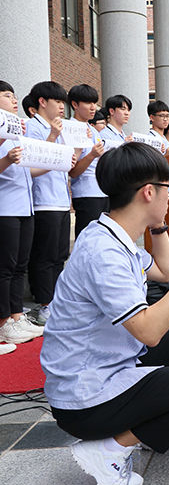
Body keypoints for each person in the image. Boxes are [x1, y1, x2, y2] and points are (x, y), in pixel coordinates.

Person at [40, 142, 169, 485]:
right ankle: (110, 447)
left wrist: (159, 224)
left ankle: (161, 424)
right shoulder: (104, 253)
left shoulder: (115, 236)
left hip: (111, 364)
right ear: (149, 192)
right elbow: (150, 332)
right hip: (86, 397)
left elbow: (165, 271)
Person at [26, 81, 75, 328]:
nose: (60, 107)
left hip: (61, 201)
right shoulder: (31, 127)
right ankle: (44, 304)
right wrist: (53, 136)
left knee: (59, 255)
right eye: (57, 102)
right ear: (42, 102)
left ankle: (56, 302)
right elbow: (34, 160)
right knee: (44, 256)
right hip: (43, 201)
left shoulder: (61, 129)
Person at [0, 80, 39, 352]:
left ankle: (15, 316)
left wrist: (55, 164)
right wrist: (6, 158)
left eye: (14, 95)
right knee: (5, 267)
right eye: (7, 95)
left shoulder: (19, 132)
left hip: (25, 207)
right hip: (5, 209)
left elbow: (26, 170)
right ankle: (3, 321)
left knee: (19, 265)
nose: (14, 100)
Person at [67, 84, 108, 240]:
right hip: (87, 193)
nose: (93, 108)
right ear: (75, 105)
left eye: (94, 103)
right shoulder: (70, 129)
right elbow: (73, 170)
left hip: (102, 191)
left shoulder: (95, 131)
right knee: (87, 240)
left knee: (101, 239)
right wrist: (91, 155)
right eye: (88, 103)